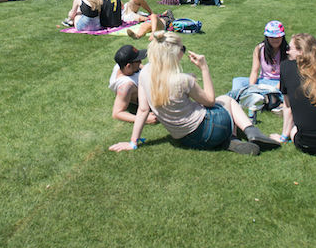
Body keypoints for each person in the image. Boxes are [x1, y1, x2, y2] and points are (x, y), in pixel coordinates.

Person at [109, 31, 280, 155]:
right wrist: (204, 68)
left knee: (219, 105)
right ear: (174, 54)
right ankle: (251, 132)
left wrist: (133, 142)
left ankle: (232, 141)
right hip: (210, 129)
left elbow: (143, 110)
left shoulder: (145, 74)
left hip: (184, 138)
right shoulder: (183, 80)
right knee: (227, 100)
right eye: (182, 48)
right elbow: (210, 101)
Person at [229, 20, 288, 108]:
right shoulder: (260, 49)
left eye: (278, 37)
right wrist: (251, 88)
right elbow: (254, 72)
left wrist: (275, 89)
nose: (275, 40)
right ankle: (237, 99)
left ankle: (272, 99)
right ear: (266, 37)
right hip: (263, 81)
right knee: (238, 81)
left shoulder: (288, 51)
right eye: (272, 37)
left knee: (289, 91)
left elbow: (286, 76)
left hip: (280, 83)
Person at [109, 45, 158, 124]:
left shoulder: (120, 66)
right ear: (128, 66)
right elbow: (116, 113)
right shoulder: (126, 86)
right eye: (137, 60)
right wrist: (143, 119)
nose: (140, 62)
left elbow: (140, 67)